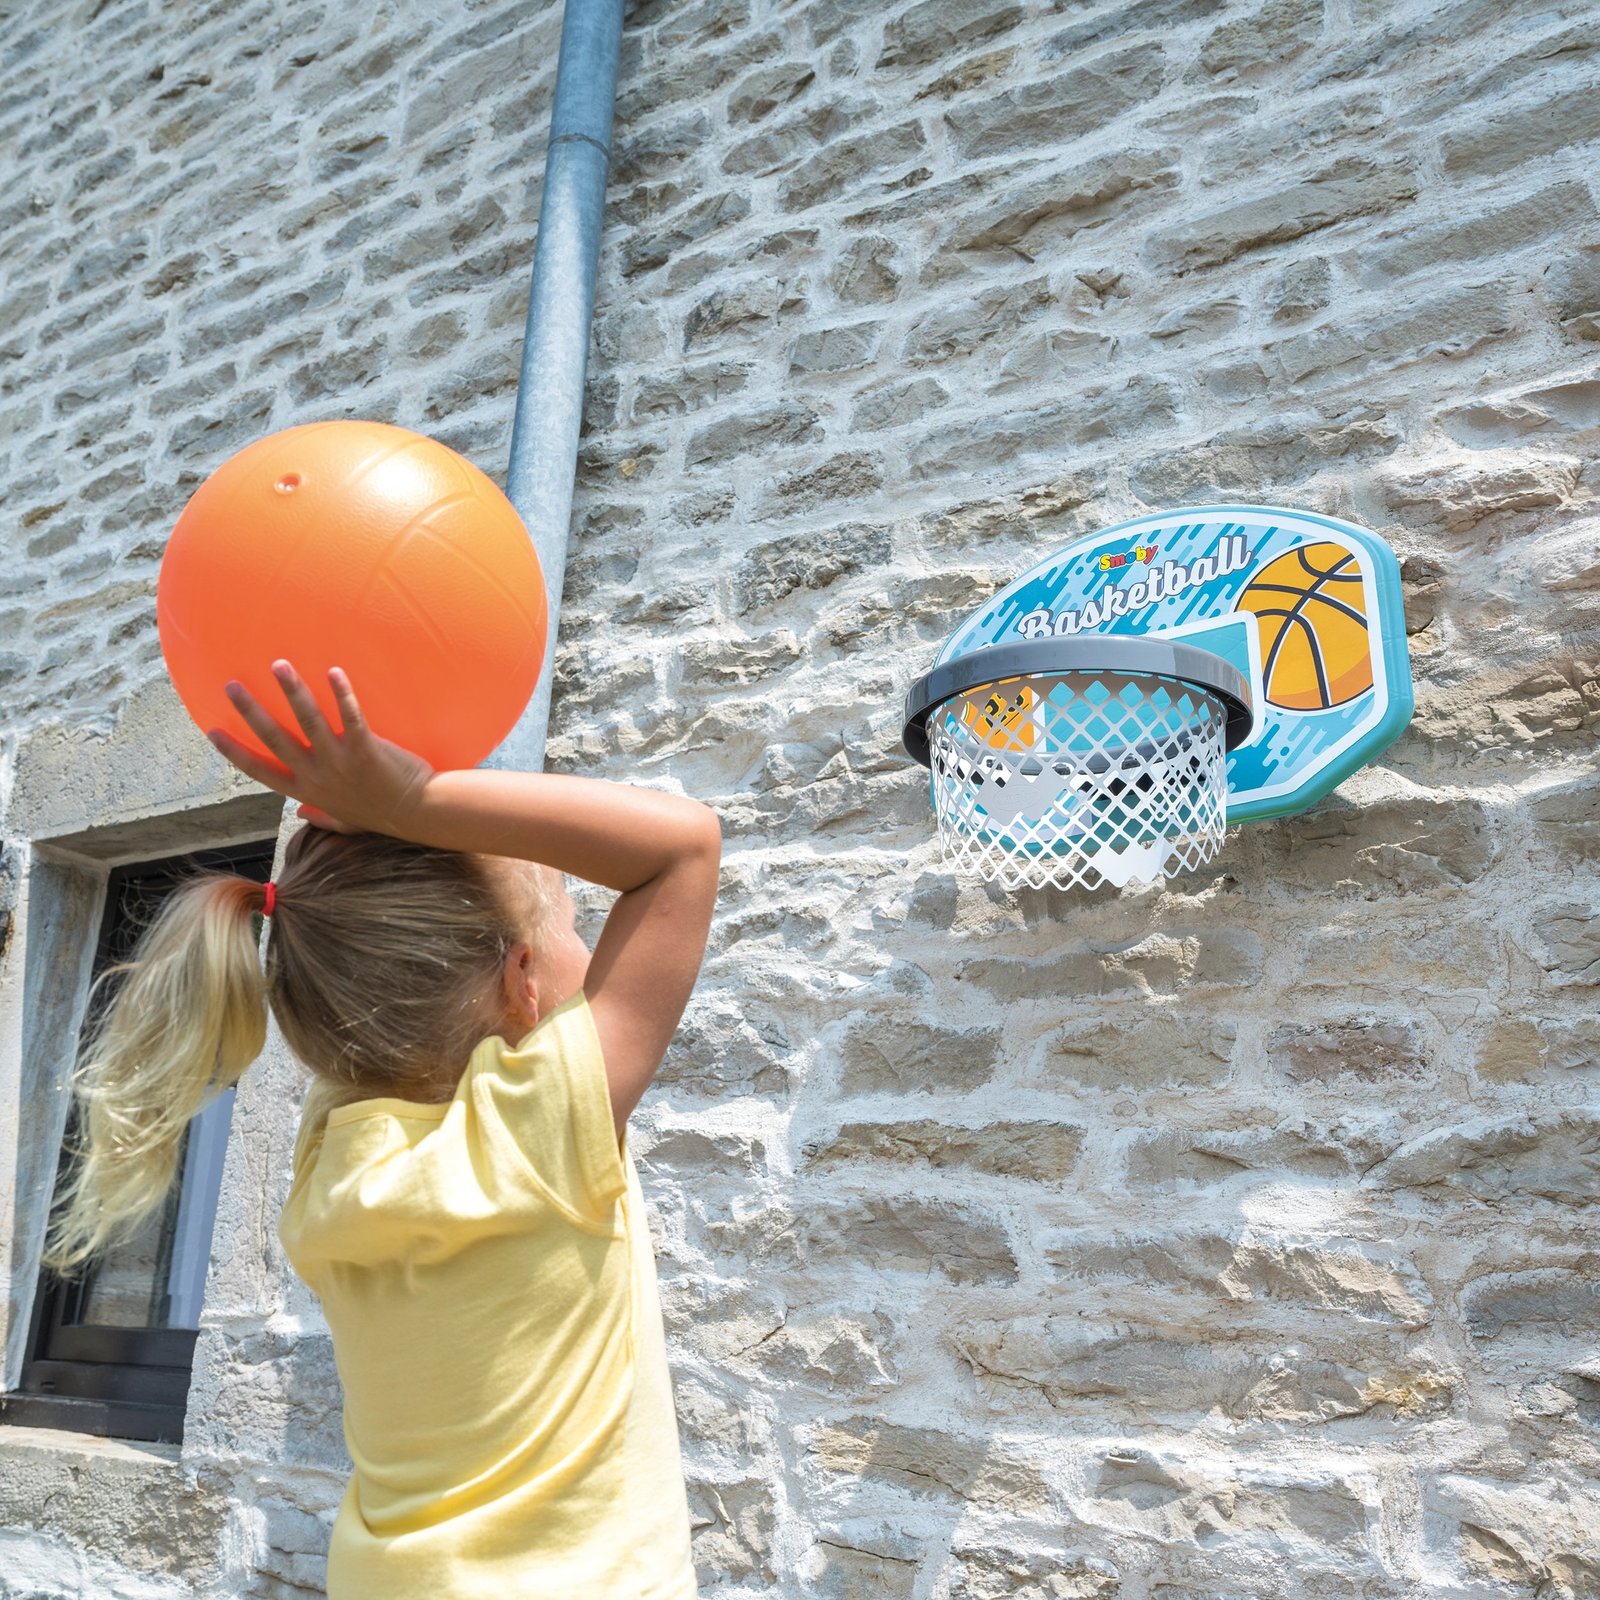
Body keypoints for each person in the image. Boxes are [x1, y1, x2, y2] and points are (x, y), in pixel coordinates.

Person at [43, 659, 721, 1599]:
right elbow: (684, 848)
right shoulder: (536, 1132)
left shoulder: (335, 1155)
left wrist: (402, 815)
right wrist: (408, 798)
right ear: (524, 981)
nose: (583, 936)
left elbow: (359, 991)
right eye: (571, 921)